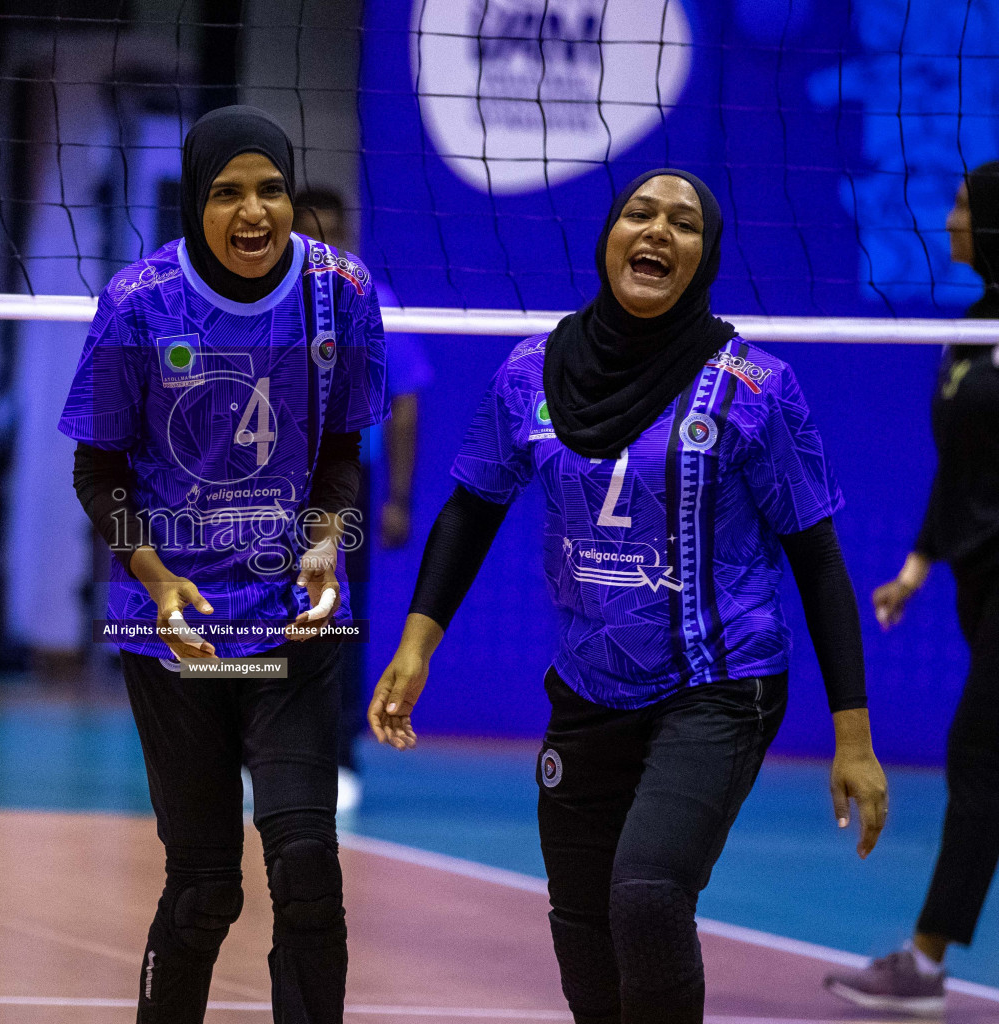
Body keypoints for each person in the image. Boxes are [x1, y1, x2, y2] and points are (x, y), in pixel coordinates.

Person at [369, 169, 888, 1024]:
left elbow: (818, 559)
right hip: (587, 688)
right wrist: (418, 643)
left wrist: (854, 739)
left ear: (705, 256)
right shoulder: (529, 372)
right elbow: (471, 507)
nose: (656, 232)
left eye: (683, 224)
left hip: (720, 686)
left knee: (646, 899)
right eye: (639, 214)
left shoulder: (755, 388)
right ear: (609, 235)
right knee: (581, 930)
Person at [60, 105, 386, 1023]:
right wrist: (157, 578)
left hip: (288, 617)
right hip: (179, 627)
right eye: (228, 192)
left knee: (309, 871)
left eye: (272, 189)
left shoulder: (344, 291)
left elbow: (344, 448)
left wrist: (326, 539)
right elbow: (98, 466)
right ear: (194, 203)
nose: (255, 212)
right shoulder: (137, 302)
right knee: (206, 886)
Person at [824, 161, 999, 1017]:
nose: (952, 217)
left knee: (981, 755)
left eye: (967, 204)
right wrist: (917, 566)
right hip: (981, 578)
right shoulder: (974, 329)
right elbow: (961, 466)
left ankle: (925, 964)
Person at [293, 187, 434, 812]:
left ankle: (340, 752)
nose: (320, 246)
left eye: (329, 232)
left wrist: (398, 496)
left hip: (345, 485)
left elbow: (404, 406)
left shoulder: (376, 302)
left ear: (346, 233)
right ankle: (261, 751)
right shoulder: (260, 300)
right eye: (307, 233)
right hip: (269, 483)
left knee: (336, 614)